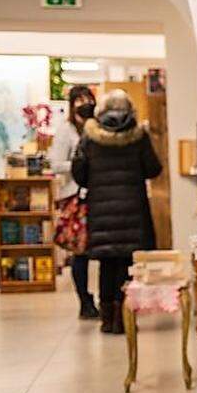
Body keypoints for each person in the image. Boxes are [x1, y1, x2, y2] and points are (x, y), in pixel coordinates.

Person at [72, 90, 162, 334]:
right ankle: (125, 318)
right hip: (133, 210)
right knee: (126, 265)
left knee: (106, 264)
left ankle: (107, 319)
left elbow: (79, 174)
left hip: (101, 212)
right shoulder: (139, 136)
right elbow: (153, 168)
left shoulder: (90, 136)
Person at [47, 86, 98, 319]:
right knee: (81, 251)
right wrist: (80, 164)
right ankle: (84, 300)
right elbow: (56, 164)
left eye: (88, 98)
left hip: (97, 195)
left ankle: (101, 301)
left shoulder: (97, 127)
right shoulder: (66, 130)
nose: (84, 103)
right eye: (79, 100)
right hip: (76, 196)